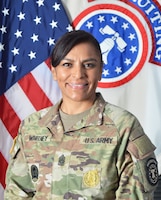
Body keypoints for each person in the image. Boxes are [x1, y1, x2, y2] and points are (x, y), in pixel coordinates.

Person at [4, 30, 159, 200]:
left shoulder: (124, 126)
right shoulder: (32, 126)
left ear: (101, 70)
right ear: (54, 72)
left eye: (89, 65)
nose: (78, 74)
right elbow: (17, 194)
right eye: (67, 64)